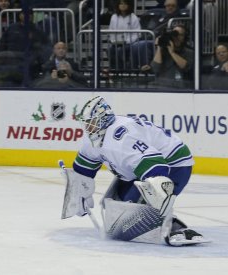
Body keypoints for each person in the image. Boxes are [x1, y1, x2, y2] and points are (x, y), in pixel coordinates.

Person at [62, 96, 208, 246]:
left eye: (91, 123)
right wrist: (79, 192)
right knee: (117, 214)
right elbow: (82, 169)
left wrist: (156, 199)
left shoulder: (122, 137)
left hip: (174, 164)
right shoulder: (92, 139)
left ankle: (174, 226)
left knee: (132, 215)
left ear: (102, 119)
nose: (88, 128)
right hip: (138, 168)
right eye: (86, 124)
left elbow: (156, 167)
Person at [148, 24, 193, 89]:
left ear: (185, 37)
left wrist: (172, 52)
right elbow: (155, 69)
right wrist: (159, 47)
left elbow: (186, 67)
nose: (177, 37)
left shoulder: (189, 52)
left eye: (180, 35)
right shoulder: (162, 51)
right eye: (175, 34)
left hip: (182, 87)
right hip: (162, 87)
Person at [107, 0, 141, 71]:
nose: (123, 5)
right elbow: (111, 31)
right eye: (121, 4)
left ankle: (122, 70)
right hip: (116, 42)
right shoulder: (114, 17)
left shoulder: (133, 17)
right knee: (109, 49)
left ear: (129, 5)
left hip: (129, 43)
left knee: (120, 50)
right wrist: (113, 40)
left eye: (125, 4)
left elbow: (137, 34)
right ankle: (113, 69)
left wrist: (127, 41)